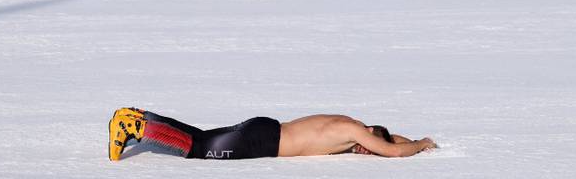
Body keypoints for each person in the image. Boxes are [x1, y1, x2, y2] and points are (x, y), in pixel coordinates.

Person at [108, 108, 436, 162]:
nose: (366, 151)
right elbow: (392, 151)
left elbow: (392, 142)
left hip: (265, 128)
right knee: (197, 148)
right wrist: (421, 144)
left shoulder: (347, 124)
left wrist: (406, 140)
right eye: (369, 146)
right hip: (264, 141)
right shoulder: (353, 131)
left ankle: (138, 116)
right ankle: (137, 127)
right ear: (369, 133)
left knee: (200, 135)